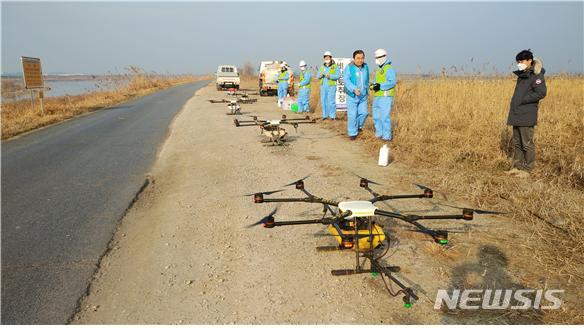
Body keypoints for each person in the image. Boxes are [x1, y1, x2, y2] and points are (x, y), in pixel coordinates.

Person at [506, 49, 546, 178]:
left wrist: (523, 100)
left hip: (527, 114)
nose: (519, 63)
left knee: (527, 143)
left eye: (522, 61)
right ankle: (517, 167)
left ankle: (527, 169)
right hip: (517, 113)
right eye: (518, 61)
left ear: (529, 60)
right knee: (517, 142)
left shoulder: (536, 75)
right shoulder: (522, 75)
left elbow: (541, 93)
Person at [370, 48, 397, 141]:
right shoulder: (379, 70)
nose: (377, 59)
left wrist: (380, 86)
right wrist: (372, 85)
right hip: (377, 96)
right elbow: (376, 82)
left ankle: (386, 137)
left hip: (385, 96)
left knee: (384, 116)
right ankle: (379, 133)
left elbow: (392, 82)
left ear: (384, 57)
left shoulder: (389, 69)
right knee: (376, 116)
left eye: (378, 57)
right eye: (376, 57)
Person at [343, 50, 369, 140]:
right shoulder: (349, 68)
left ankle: (358, 126)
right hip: (352, 95)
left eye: (362, 58)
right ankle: (352, 133)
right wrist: (354, 89)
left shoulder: (365, 67)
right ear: (354, 58)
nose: (360, 60)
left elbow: (367, 80)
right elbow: (346, 81)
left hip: (363, 95)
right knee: (352, 115)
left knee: (364, 113)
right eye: (358, 58)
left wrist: (368, 88)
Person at [318, 51, 340, 120]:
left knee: (331, 101)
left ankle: (332, 116)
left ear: (330, 57)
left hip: (331, 86)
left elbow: (338, 76)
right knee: (323, 101)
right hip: (323, 86)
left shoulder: (335, 66)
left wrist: (330, 76)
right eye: (325, 57)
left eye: (328, 57)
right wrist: (320, 75)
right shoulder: (322, 67)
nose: (326, 58)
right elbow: (318, 76)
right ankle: (325, 116)